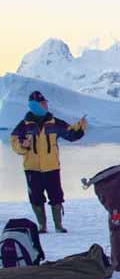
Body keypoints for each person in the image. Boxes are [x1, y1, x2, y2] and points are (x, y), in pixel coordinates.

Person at [10, 91, 87, 233]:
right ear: (35, 105)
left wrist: (80, 127)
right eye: (43, 103)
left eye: (45, 103)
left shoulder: (55, 123)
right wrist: (22, 146)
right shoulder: (24, 126)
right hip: (32, 168)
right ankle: (42, 226)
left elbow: (70, 134)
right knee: (36, 197)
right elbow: (14, 143)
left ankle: (58, 226)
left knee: (56, 195)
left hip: (51, 167)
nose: (46, 105)